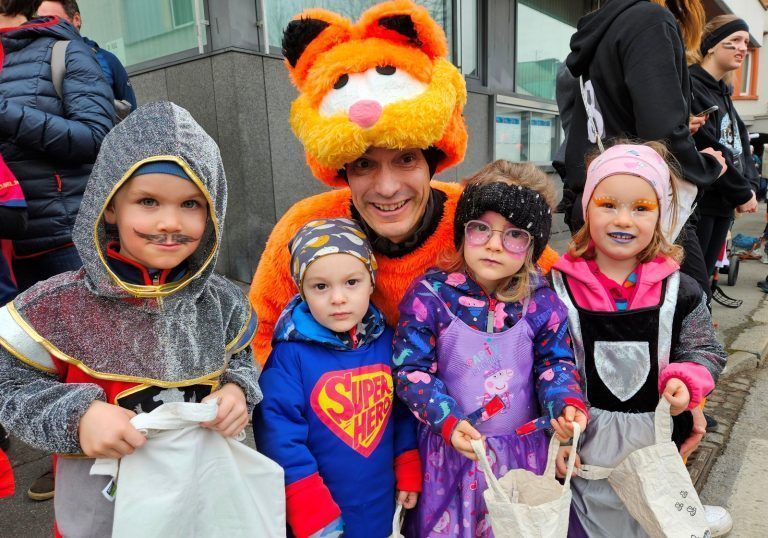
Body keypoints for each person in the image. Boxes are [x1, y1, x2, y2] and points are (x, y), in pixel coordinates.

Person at [249, 0, 559, 365]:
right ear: (343, 171)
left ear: (433, 161)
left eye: (406, 158)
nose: (387, 187)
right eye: (364, 164)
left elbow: (558, 286)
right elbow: (260, 331)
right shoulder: (306, 226)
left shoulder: (478, 219)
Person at [0, 102, 261, 535]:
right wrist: (76, 417)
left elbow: (242, 361)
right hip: (101, 514)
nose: (169, 222)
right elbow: (7, 382)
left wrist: (239, 390)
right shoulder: (56, 305)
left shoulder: (224, 303)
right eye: (148, 201)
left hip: (204, 503)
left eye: (192, 204)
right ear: (108, 206)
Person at [392, 161, 588, 537]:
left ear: (533, 245)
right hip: (452, 453)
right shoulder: (429, 297)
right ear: (462, 232)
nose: (495, 244)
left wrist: (564, 404)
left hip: (522, 455)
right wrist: (446, 420)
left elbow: (556, 363)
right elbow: (411, 372)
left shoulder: (541, 301)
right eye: (481, 228)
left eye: (514, 234)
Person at [550, 142, 729, 536]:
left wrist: (687, 378)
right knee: (586, 518)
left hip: (655, 437)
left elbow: (705, 349)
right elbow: (546, 360)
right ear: (586, 208)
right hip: (584, 436)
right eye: (608, 204)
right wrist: (556, 424)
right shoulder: (557, 288)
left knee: (650, 517)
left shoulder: (681, 290)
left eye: (641, 208)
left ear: (661, 215)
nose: (624, 220)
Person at [253, 218, 421, 538]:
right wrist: (308, 508)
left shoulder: (387, 343)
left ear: (371, 282)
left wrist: (408, 465)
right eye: (321, 286)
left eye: (351, 282)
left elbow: (401, 412)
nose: (338, 298)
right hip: (320, 515)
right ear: (301, 290)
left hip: (381, 503)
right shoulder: (289, 357)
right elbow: (279, 437)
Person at [560, 0, 726, 298]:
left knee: (601, 318)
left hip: (594, 198)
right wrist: (708, 164)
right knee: (683, 315)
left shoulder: (602, 31)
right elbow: (662, 133)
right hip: (642, 205)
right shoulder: (650, 21)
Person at [0, 0, 114, 294]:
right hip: (8, 250)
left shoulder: (62, 50)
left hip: (62, 242)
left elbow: (95, 138)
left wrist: (5, 113)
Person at [690, 15, 759, 283]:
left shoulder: (723, 93)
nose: (743, 48)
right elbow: (706, 144)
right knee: (693, 280)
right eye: (734, 41)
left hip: (723, 204)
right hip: (701, 202)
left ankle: (700, 322)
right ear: (711, 46)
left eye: (745, 42)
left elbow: (741, 144)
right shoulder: (691, 85)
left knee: (706, 276)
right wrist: (741, 191)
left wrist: (750, 186)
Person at [37, 0, 137, 112]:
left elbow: (132, 114)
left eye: (53, 20)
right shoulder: (34, 63)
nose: (45, 27)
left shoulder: (107, 60)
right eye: (40, 22)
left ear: (76, 19)